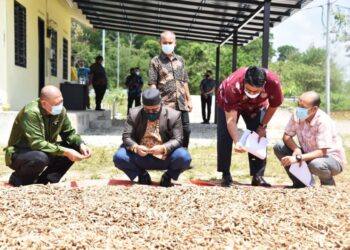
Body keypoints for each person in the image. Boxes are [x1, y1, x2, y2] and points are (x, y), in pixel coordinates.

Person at [3, 85, 92, 186]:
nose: (60, 105)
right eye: (57, 103)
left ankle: (45, 182)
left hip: (43, 150)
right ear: (44, 103)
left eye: (61, 101)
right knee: (40, 158)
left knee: (73, 146)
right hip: (20, 153)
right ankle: (18, 179)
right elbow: (37, 143)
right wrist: (66, 152)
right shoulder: (31, 112)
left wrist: (81, 144)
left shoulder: (60, 111)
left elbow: (69, 133)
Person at [217, 66, 284, 187]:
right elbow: (231, 120)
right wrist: (237, 141)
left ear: (264, 85)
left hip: (257, 106)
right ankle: (225, 174)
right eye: (249, 90)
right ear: (244, 82)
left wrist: (262, 126)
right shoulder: (233, 85)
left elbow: (273, 106)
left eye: (256, 91)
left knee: (258, 135)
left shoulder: (273, 82)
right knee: (225, 135)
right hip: (230, 102)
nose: (252, 93)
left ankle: (258, 176)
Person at [113, 89, 192, 187]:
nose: (151, 112)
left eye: (155, 110)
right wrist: (136, 147)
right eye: (147, 110)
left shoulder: (174, 115)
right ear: (143, 106)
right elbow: (126, 136)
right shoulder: (134, 114)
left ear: (161, 104)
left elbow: (178, 139)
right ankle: (141, 174)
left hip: (165, 157)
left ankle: (168, 176)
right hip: (140, 156)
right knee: (119, 157)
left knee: (184, 157)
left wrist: (163, 148)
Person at [273, 91, 346, 188]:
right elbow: (286, 136)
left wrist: (298, 158)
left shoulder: (323, 121)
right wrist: (296, 149)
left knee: (316, 164)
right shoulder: (297, 115)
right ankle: (300, 183)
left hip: (330, 159)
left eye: (303, 107)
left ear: (314, 109)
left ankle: (328, 186)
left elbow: (322, 152)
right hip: (308, 154)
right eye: (298, 104)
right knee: (279, 146)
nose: (299, 109)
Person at [149, 31, 192, 148]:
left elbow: (185, 81)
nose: (167, 45)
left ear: (175, 43)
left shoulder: (180, 60)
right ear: (160, 43)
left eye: (170, 42)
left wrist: (189, 99)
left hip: (181, 104)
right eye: (165, 42)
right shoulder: (155, 61)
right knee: (168, 133)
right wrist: (155, 103)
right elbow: (152, 84)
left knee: (186, 130)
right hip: (165, 104)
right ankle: (168, 158)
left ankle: (183, 156)